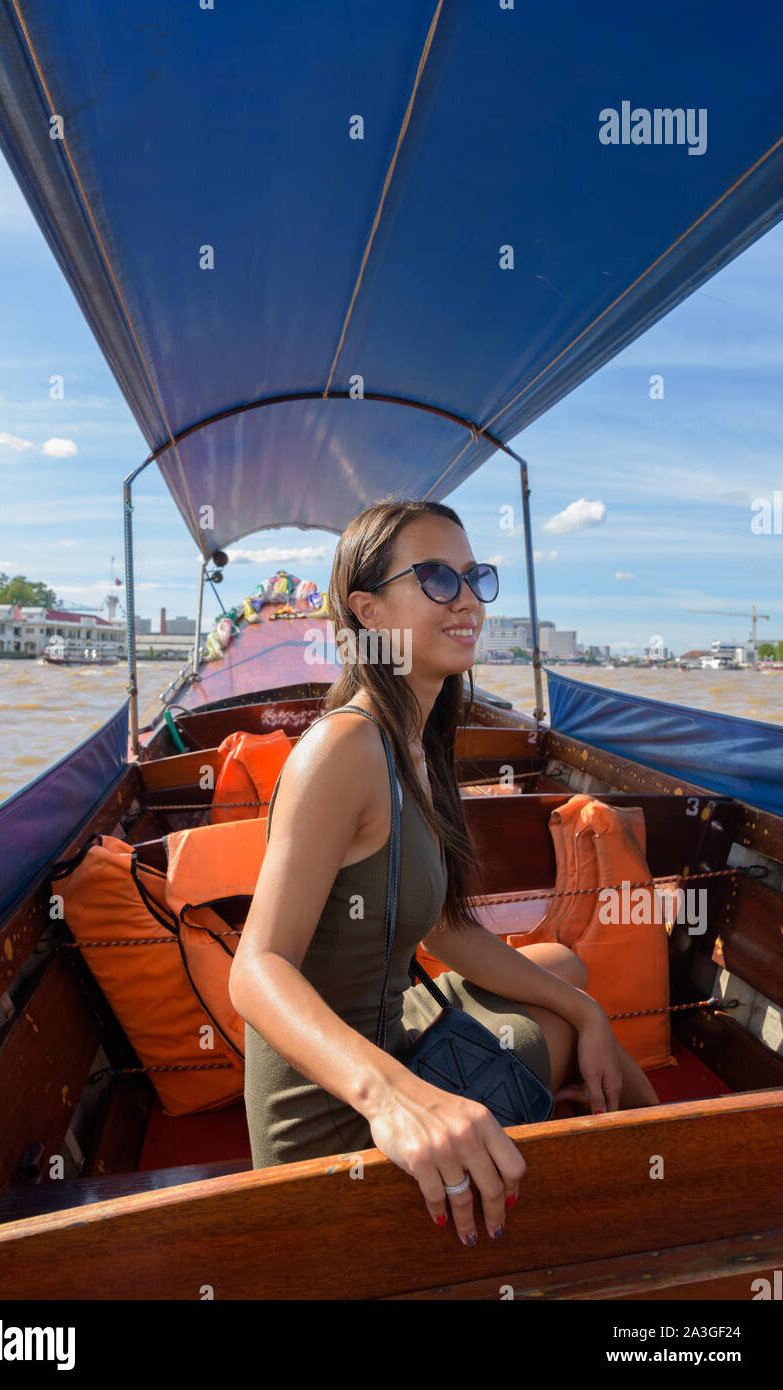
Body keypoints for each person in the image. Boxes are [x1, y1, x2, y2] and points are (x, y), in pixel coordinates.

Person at [229, 497, 659, 1247]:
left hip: (388, 1029)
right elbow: (256, 968)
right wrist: (395, 1099)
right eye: (433, 577)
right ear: (365, 610)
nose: (465, 599)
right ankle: (673, 1182)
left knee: (563, 972)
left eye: (472, 576)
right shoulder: (344, 750)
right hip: (335, 1111)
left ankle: (649, 1151)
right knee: (556, 1012)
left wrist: (592, 1014)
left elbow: (448, 927)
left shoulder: (418, 744)